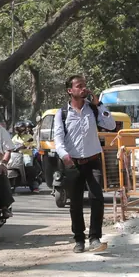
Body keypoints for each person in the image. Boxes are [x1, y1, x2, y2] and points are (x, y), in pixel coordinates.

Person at [53, 74, 115, 253]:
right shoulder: (62, 113)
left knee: (97, 198)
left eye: (84, 85)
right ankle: (79, 239)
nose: (83, 89)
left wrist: (99, 104)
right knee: (76, 203)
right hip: (73, 163)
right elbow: (58, 139)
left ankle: (95, 238)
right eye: (79, 86)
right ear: (70, 90)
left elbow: (111, 125)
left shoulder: (93, 109)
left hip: (93, 160)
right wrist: (64, 156)